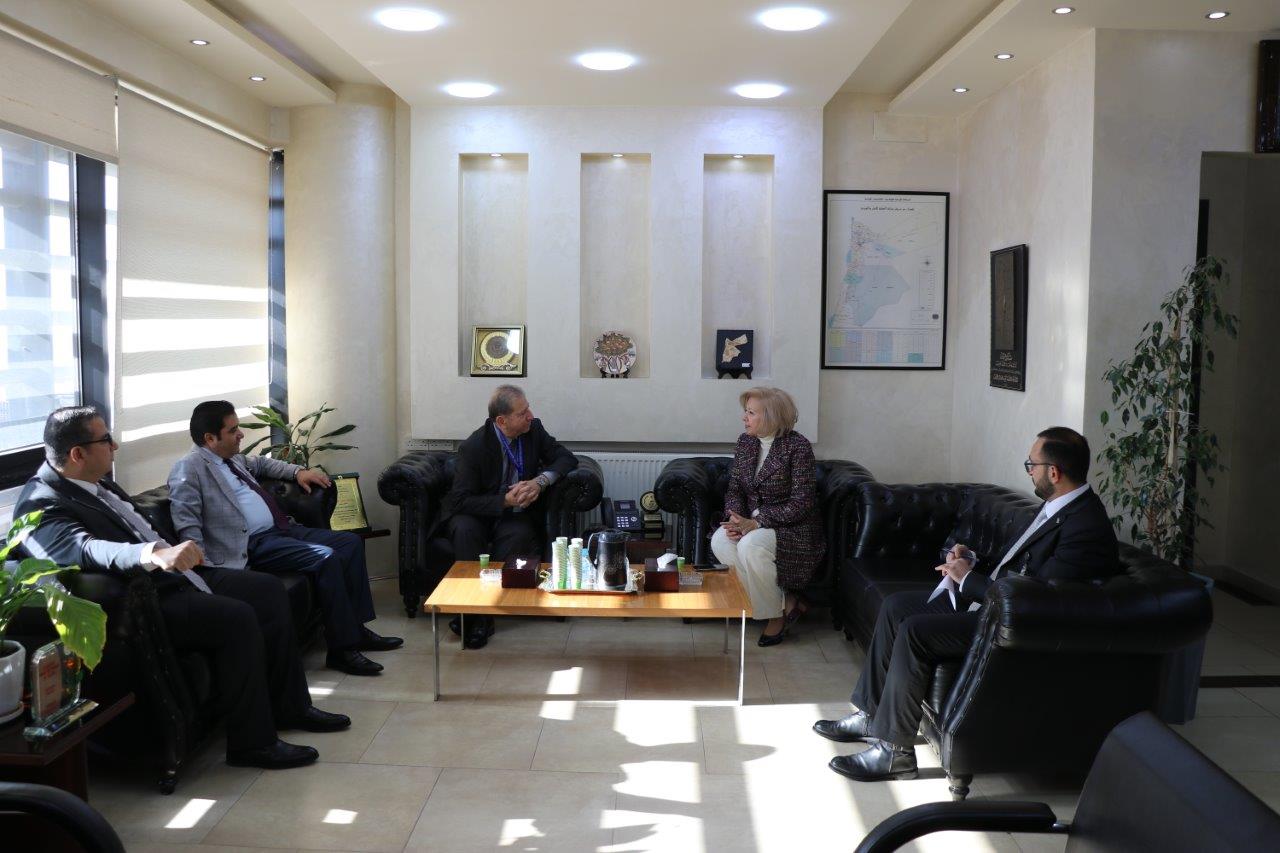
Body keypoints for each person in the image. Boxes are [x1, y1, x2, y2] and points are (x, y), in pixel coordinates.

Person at [14, 407, 349, 770]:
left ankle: (291, 707)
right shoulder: (41, 503)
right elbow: (84, 549)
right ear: (78, 453)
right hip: (146, 598)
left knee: (267, 591)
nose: (115, 446)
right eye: (106, 439)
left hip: (179, 575)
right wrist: (154, 553)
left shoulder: (94, 481)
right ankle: (253, 744)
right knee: (236, 617)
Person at [813, 426, 1121, 782]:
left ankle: (894, 753)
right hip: (994, 604)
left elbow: (1041, 598)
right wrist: (970, 561)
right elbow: (1016, 564)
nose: (1029, 472)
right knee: (896, 607)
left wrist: (969, 581)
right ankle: (872, 715)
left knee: (915, 631)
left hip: (1009, 624)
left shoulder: (1085, 527)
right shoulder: (1057, 506)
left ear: (1053, 472)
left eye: (1031, 465)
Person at [167, 401, 401, 677]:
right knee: (325, 558)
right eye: (232, 430)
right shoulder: (189, 469)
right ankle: (342, 650)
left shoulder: (232, 459)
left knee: (349, 543)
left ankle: (357, 629)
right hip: (252, 544)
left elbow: (262, 463)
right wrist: (202, 565)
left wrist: (298, 472)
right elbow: (187, 521)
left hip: (281, 529)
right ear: (210, 438)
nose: (241, 434)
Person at [441, 384, 577, 648]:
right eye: (522, 413)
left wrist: (540, 482)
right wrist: (504, 500)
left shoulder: (533, 430)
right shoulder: (474, 446)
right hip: (477, 512)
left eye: (528, 409)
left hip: (515, 515)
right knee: (465, 530)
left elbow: (566, 458)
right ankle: (477, 616)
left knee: (518, 534)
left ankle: (476, 615)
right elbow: (460, 501)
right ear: (502, 421)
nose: (530, 416)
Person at [710, 387, 825, 647]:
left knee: (750, 545)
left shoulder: (798, 447)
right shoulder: (746, 442)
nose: (744, 418)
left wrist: (757, 522)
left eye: (751, 413)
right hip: (751, 522)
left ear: (771, 416)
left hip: (792, 528)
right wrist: (735, 518)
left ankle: (774, 617)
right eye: (746, 411)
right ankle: (787, 603)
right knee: (720, 540)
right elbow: (735, 488)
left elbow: (802, 503)